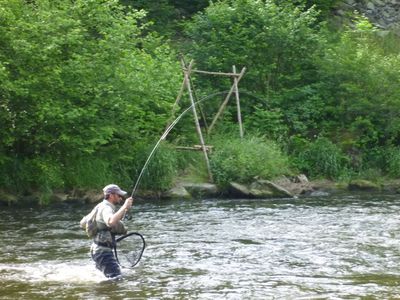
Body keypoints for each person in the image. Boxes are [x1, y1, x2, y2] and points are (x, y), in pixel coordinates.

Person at [82, 184, 133, 279]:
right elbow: (110, 221)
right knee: (116, 279)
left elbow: (83, 223)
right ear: (111, 195)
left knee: (109, 279)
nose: (121, 198)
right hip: (103, 252)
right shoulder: (106, 208)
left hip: (97, 250)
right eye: (119, 195)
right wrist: (124, 207)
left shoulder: (100, 206)